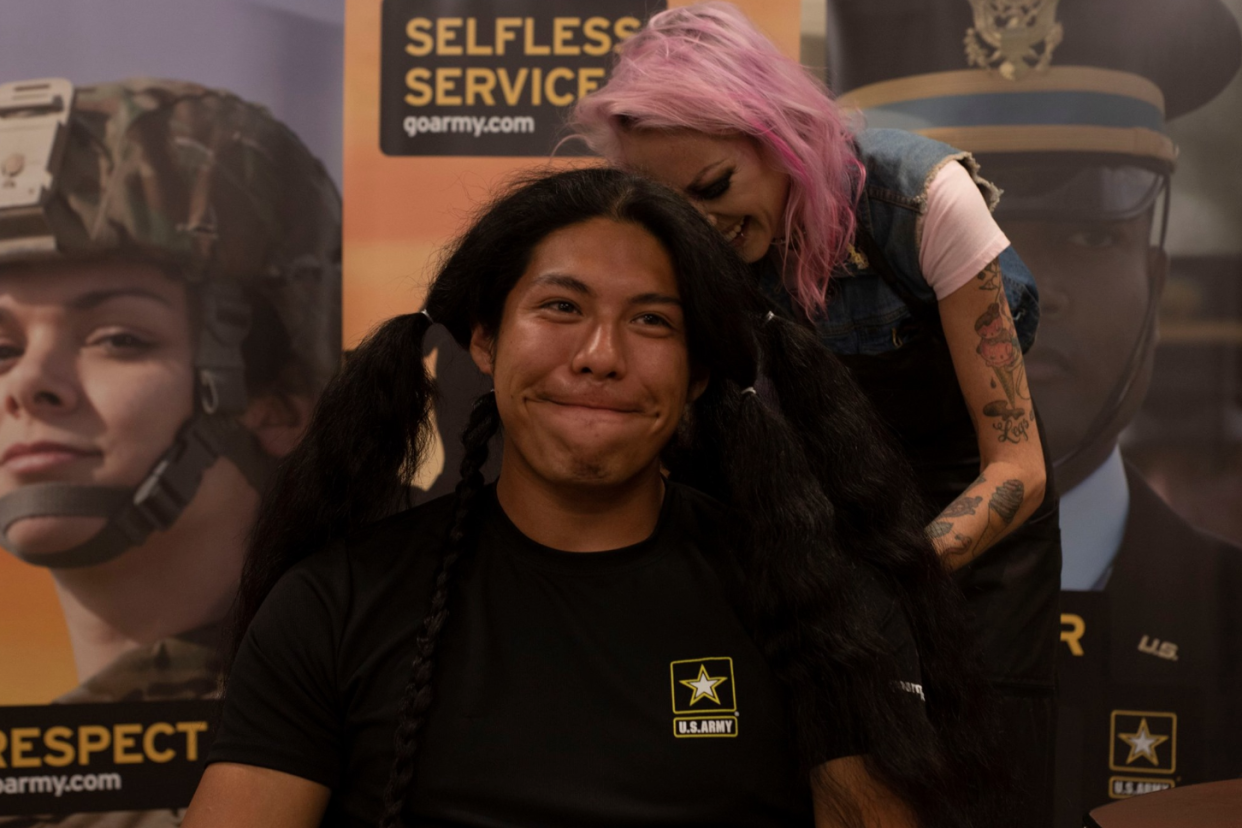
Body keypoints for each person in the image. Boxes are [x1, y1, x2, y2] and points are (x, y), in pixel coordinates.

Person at [185, 168, 1001, 828]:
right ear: (484, 339)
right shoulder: (335, 604)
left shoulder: (822, 608)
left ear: (700, 374)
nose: (600, 355)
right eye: (561, 307)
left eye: (652, 322)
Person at [570, 3, 1060, 822]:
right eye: (672, 209)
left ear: (785, 133)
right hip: (823, 530)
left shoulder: (924, 200)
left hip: (973, 523)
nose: (705, 229)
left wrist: (882, 580)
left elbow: (1019, 467)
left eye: (716, 187)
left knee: (984, 791)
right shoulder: (687, 247)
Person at [820, 0, 1242, 822]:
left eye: (1091, 235)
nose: (1023, 291)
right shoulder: (752, 594)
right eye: (947, 240)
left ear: (1156, 285)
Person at [0, 77, 341, 826]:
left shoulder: (364, 714)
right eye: (0, 347)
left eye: (119, 338)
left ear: (278, 402)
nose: (28, 386)